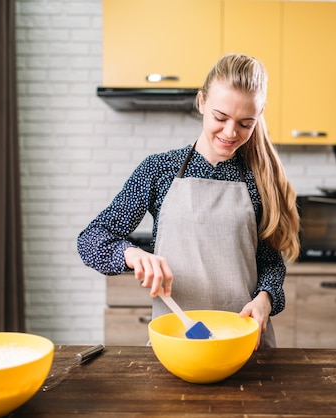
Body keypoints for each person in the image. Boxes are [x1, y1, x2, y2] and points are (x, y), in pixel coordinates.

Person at [77, 53, 300, 348]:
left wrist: (265, 298)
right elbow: (91, 240)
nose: (231, 132)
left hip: (246, 345)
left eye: (246, 123)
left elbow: (270, 262)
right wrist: (133, 255)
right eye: (220, 118)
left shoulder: (258, 179)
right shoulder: (159, 170)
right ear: (202, 102)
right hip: (177, 344)